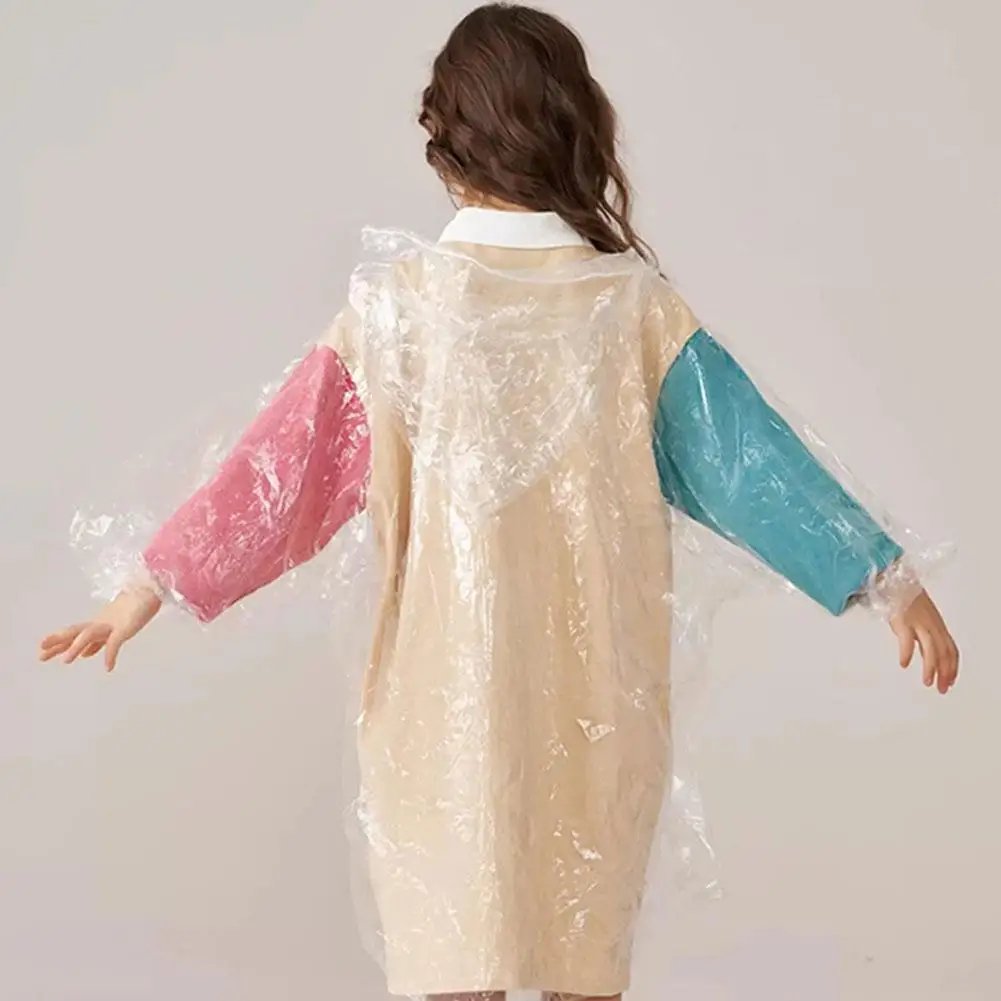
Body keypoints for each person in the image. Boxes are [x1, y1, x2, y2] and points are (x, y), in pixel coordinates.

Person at [37, 5, 959, 1000]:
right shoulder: (630, 309)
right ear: (576, 126)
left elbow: (281, 469)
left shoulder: (401, 311)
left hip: (436, 698)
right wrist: (879, 575)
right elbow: (749, 460)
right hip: (596, 694)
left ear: (443, 134)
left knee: (455, 937)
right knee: (579, 940)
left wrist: (150, 583)